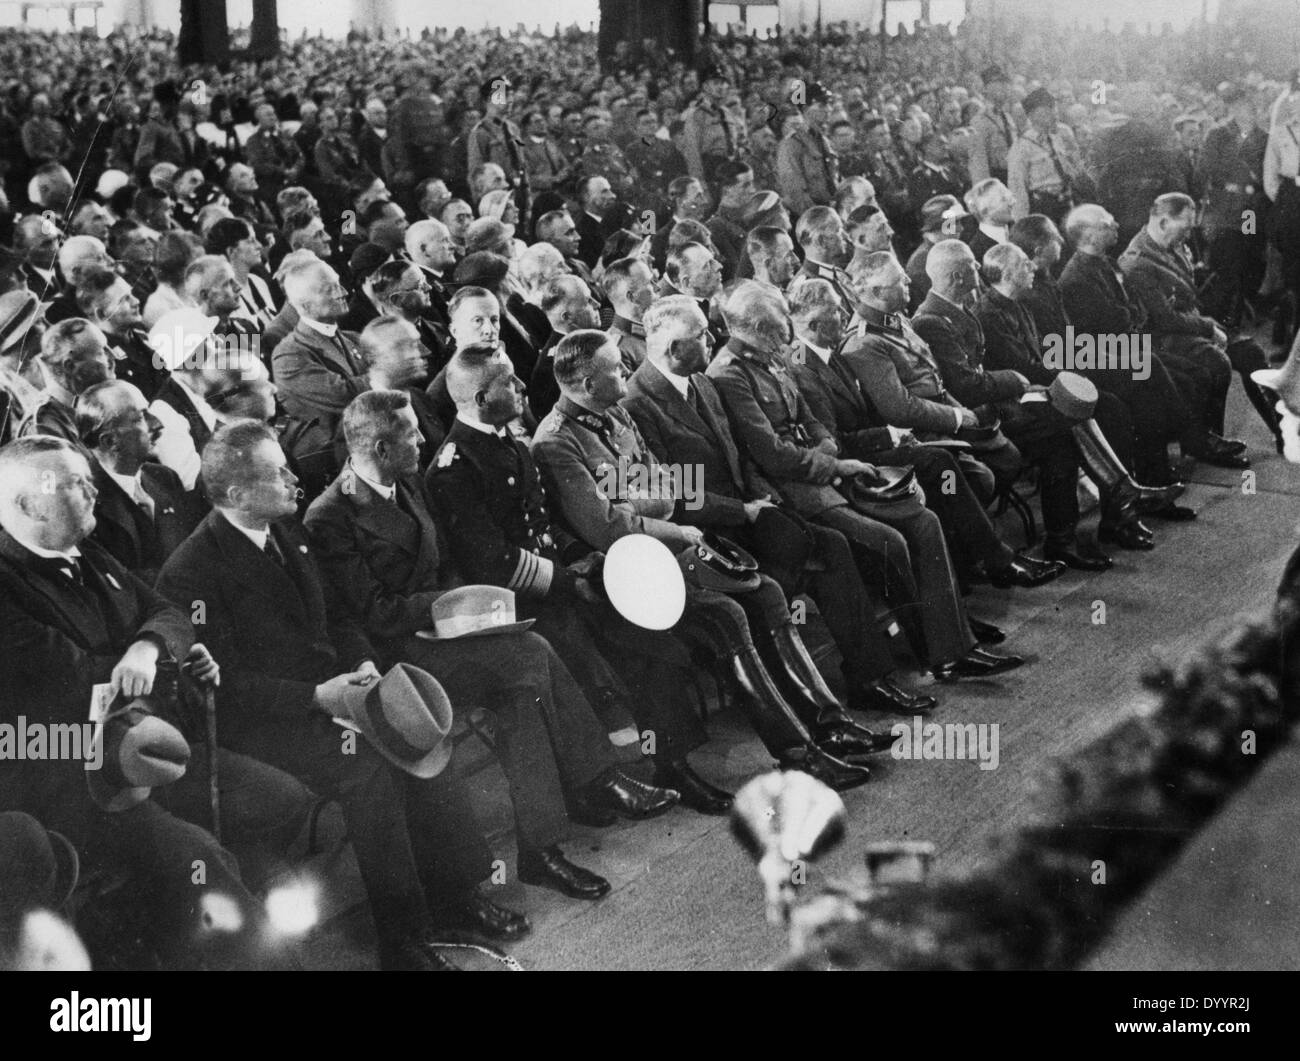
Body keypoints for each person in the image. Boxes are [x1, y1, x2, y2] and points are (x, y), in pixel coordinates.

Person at [155, 420, 527, 970]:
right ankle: (403, 941)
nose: (291, 477)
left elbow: (341, 615)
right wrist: (317, 696)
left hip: (339, 687)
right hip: (272, 720)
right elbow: (225, 688)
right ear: (236, 495)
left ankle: (456, 894)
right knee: (370, 768)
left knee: (417, 730)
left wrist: (364, 664)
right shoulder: (191, 572)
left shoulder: (286, 530)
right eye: (275, 471)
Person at [306, 390, 677, 896]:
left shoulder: (406, 481)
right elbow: (372, 612)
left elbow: (446, 558)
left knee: (520, 695)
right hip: (397, 658)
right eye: (410, 434)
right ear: (380, 449)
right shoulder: (331, 515)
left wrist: (468, 607)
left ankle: (542, 850)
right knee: (532, 653)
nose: (422, 439)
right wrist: (451, 603)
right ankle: (596, 782)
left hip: (447, 633)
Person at [0, 435, 312, 971]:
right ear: (28, 506)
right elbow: (81, 679)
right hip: (73, 780)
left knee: (279, 800)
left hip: (150, 747)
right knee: (199, 858)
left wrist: (147, 648)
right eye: (75, 484)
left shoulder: (88, 552)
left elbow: (171, 611)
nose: (93, 489)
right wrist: (167, 657)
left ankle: (205, 935)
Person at [531, 329, 876, 789]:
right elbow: (608, 529)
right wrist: (662, 518)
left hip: (665, 548)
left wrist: (639, 503)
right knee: (727, 614)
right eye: (617, 369)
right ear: (588, 385)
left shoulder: (614, 414)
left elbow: (665, 487)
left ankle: (827, 719)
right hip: (626, 574)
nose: (627, 373)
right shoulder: (557, 443)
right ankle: (798, 751)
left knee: (767, 591)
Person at [624, 294, 940, 715]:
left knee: (832, 548)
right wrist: (743, 510)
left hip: (749, 510)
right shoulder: (638, 404)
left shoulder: (699, 382)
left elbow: (739, 453)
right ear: (674, 349)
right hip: (710, 533)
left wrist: (760, 496)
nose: (713, 339)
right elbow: (676, 493)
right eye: (702, 335)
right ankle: (816, 706)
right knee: (810, 561)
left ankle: (870, 677)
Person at [708, 280, 1022, 682]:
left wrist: (827, 450)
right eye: (778, 325)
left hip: (827, 472)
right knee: (887, 540)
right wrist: (834, 465)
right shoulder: (729, 375)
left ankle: (953, 644)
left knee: (924, 521)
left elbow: (813, 420)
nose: (788, 331)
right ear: (754, 326)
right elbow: (771, 454)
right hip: (797, 493)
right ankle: (931, 646)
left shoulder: (775, 357)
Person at [1119, 193, 1276, 459]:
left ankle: (1284, 432)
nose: (1191, 232)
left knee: (1251, 352)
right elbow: (1164, 319)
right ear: (1164, 221)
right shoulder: (1138, 263)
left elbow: (1188, 294)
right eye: (1187, 225)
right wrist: (1208, 328)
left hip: (1189, 327)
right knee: (1216, 363)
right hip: (1163, 337)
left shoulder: (1172, 244)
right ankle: (1206, 440)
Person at [75, 380, 204, 583]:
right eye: (142, 417)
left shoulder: (164, 478)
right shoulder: (83, 502)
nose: (158, 425)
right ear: (110, 441)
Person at [1006, 88, 1086, 223]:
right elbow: (1017, 186)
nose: (1053, 114)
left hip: (1066, 202)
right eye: (1046, 111)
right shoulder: (1022, 146)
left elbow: (1071, 170)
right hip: (1043, 206)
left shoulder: (1057, 138)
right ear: (1032, 116)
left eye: (1053, 108)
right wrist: (1021, 221)